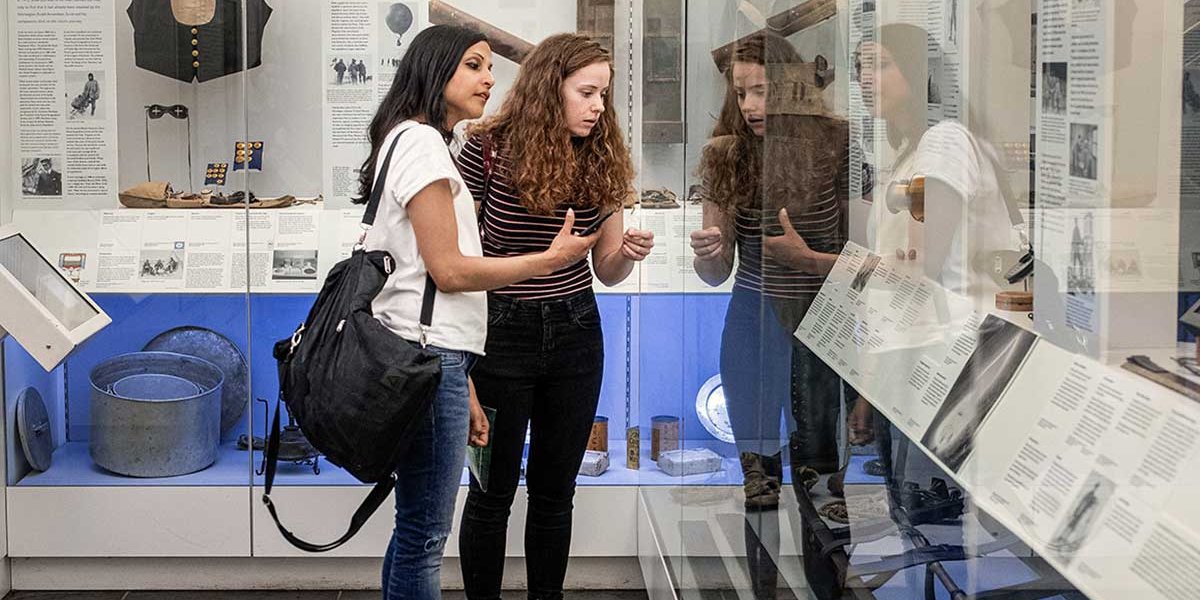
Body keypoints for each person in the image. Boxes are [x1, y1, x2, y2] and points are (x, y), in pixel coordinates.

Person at [354, 25, 599, 600]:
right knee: (424, 533)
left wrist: (459, 373)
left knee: (415, 526)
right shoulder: (421, 143)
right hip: (431, 353)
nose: (489, 78)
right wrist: (549, 259)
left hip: (437, 353)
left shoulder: (409, 138)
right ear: (435, 71)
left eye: (490, 67)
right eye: (473, 65)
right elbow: (451, 271)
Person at [455, 33, 654, 600]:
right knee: (491, 492)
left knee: (553, 492)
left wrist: (628, 255)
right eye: (586, 92)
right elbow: (460, 259)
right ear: (549, 87)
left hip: (574, 332)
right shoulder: (487, 147)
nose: (597, 106)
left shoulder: (604, 151)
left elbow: (607, 269)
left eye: (604, 95)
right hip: (499, 331)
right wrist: (544, 259)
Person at [688, 32, 866, 600]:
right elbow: (715, 273)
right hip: (753, 321)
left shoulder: (837, 143)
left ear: (791, 89)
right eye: (741, 94)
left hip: (820, 323)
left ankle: (826, 594)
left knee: (821, 483)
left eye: (761, 91)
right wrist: (710, 254)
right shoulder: (726, 151)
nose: (750, 107)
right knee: (759, 484)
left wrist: (806, 259)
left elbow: (866, 259)